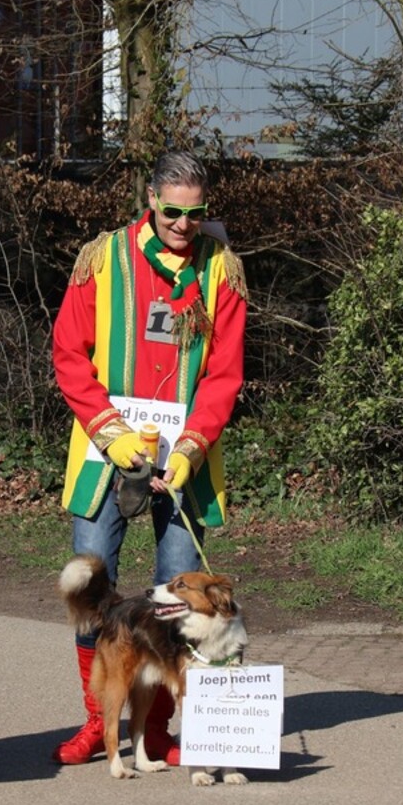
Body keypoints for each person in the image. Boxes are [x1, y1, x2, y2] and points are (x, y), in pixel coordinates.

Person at [51, 150, 247, 765]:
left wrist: (190, 448)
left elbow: (224, 374)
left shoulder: (223, 270)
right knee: (95, 591)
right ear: (151, 200)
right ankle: (100, 721)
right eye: (172, 213)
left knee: (179, 597)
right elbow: (68, 355)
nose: (184, 225)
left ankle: (157, 730)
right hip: (104, 449)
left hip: (186, 458)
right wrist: (113, 435)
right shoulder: (101, 258)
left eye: (196, 213)